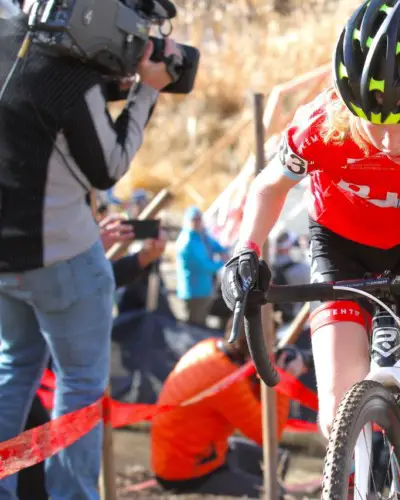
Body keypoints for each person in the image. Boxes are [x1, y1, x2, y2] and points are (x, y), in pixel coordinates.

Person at [220, 1, 400, 497]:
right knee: (334, 408)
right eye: (372, 119)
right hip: (341, 249)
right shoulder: (322, 123)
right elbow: (270, 188)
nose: (385, 139)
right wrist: (243, 252)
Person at [0, 7, 178, 497]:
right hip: (64, 259)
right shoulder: (70, 81)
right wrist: (147, 90)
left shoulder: (8, 42)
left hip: (6, 259)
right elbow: (109, 166)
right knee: (79, 387)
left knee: (14, 371)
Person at [150, 332, 307, 497]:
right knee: (275, 494)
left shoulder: (210, 347)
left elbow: (248, 393)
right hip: (189, 472)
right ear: (255, 353)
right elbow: (268, 435)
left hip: (205, 452)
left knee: (279, 460)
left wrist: (264, 373)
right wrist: (281, 379)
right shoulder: (224, 379)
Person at [175, 206, 229, 326]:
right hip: (194, 291)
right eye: (194, 220)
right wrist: (222, 262)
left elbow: (212, 244)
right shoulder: (187, 242)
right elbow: (204, 267)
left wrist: (222, 250)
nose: (198, 222)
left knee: (201, 321)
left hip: (203, 288)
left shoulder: (199, 235)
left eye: (199, 219)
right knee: (196, 324)